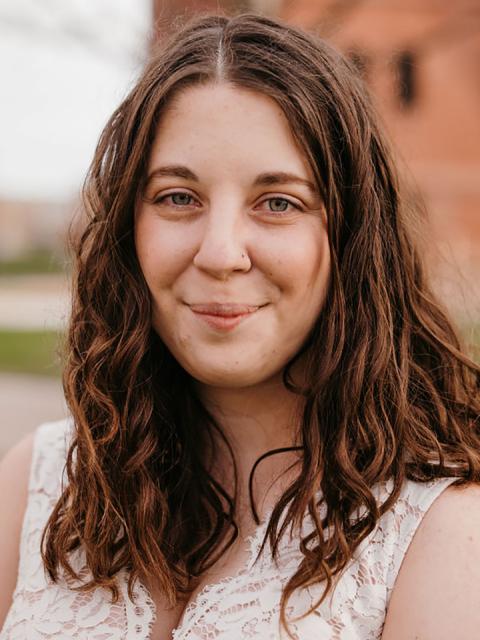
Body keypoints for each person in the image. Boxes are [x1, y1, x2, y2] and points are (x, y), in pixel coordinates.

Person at [1, 10, 480, 640]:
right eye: (178, 197)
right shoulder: (39, 484)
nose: (221, 251)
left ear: (351, 238)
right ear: (127, 228)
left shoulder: (440, 531)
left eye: (278, 202)